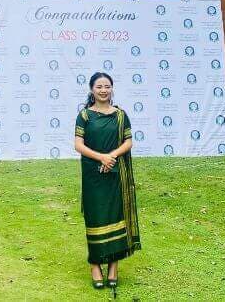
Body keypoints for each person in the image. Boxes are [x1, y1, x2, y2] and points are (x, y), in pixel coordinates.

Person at [74, 72, 141, 292]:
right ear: (92, 90)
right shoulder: (85, 115)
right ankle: (95, 265)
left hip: (115, 174)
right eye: (99, 86)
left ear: (112, 88)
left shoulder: (121, 115)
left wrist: (110, 157)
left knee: (115, 216)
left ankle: (113, 266)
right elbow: (78, 145)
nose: (103, 90)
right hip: (93, 175)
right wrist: (101, 157)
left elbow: (128, 142)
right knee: (95, 218)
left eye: (107, 86)